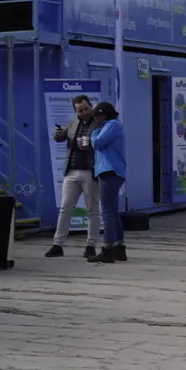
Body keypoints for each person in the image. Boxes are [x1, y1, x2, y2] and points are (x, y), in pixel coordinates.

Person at [46, 95, 99, 259]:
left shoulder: (99, 123)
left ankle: (91, 245)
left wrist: (89, 144)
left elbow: (103, 144)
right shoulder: (73, 122)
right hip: (72, 170)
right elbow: (61, 138)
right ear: (75, 111)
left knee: (92, 210)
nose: (83, 113)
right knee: (65, 207)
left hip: (91, 170)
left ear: (91, 106)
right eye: (80, 110)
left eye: (85, 109)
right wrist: (58, 133)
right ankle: (58, 244)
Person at [88, 100, 129, 263]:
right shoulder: (111, 125)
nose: (94, 120)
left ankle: (108, 248)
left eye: (96, 116)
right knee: (112, 212)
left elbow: (97, 143)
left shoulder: (111, 125)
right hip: (110, 171)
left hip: (110, 171)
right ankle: (119, 247)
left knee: (106, 212)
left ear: (102, 115)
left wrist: (93, 133)